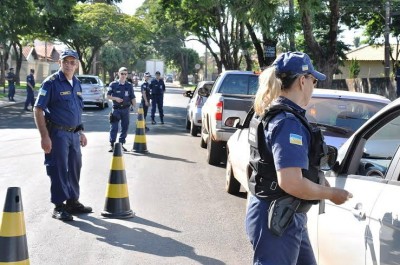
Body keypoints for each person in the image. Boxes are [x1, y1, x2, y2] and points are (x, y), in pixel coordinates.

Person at [245, 51, 353, 265]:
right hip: (278, 218)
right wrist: (331, 194)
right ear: (302, 81)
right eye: (313, 80)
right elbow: (291, 182)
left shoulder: (276, 113)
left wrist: (318, 183)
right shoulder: (287, 122)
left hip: (284, 214)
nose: (314, 85)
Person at [33, 49, 92, 221]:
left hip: (74, 135)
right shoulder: (51, 83)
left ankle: (72, 201)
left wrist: (81, 132)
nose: (69, 64)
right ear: (60, 63)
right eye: (66, 61)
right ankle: (59, 206)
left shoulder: (77, 83)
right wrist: (44, 136)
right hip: (57, 134)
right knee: (58, 169)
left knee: (75, 167)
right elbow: (38, 110)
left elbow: (77, 110)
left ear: (77, 65)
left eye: (72, 62)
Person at [107, 67, 137, 152]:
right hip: (116, 109)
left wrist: (135, 108)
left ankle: (121, 144)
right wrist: (115, 98)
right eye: (122, 73)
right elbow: (108, 96)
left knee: (125, 127)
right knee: (114, 127)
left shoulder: (129, 85)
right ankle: (112, 144)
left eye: (125, 74)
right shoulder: (113, 84)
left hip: (126, 110)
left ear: (127, 75)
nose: (123, 75)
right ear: (118, 74)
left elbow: (132, 97)